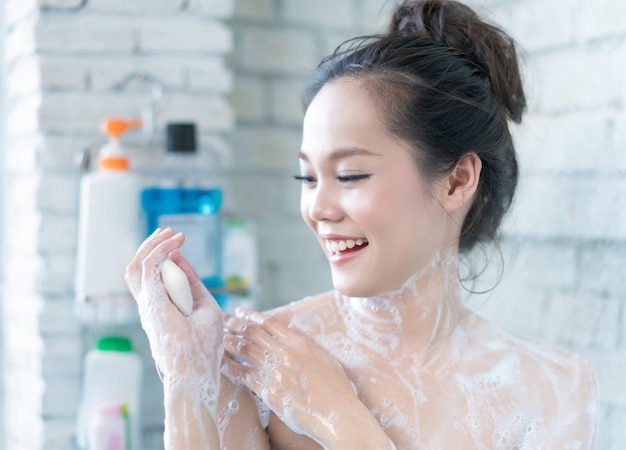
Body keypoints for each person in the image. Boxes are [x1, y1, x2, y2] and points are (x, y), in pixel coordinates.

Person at [125, 0, 598, 448]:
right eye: (308, 177)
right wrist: (186, 373)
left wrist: (342, 422)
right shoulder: (258, 360)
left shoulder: (553, 390)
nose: (318, 208)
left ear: (457, 180)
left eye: (350, 175)